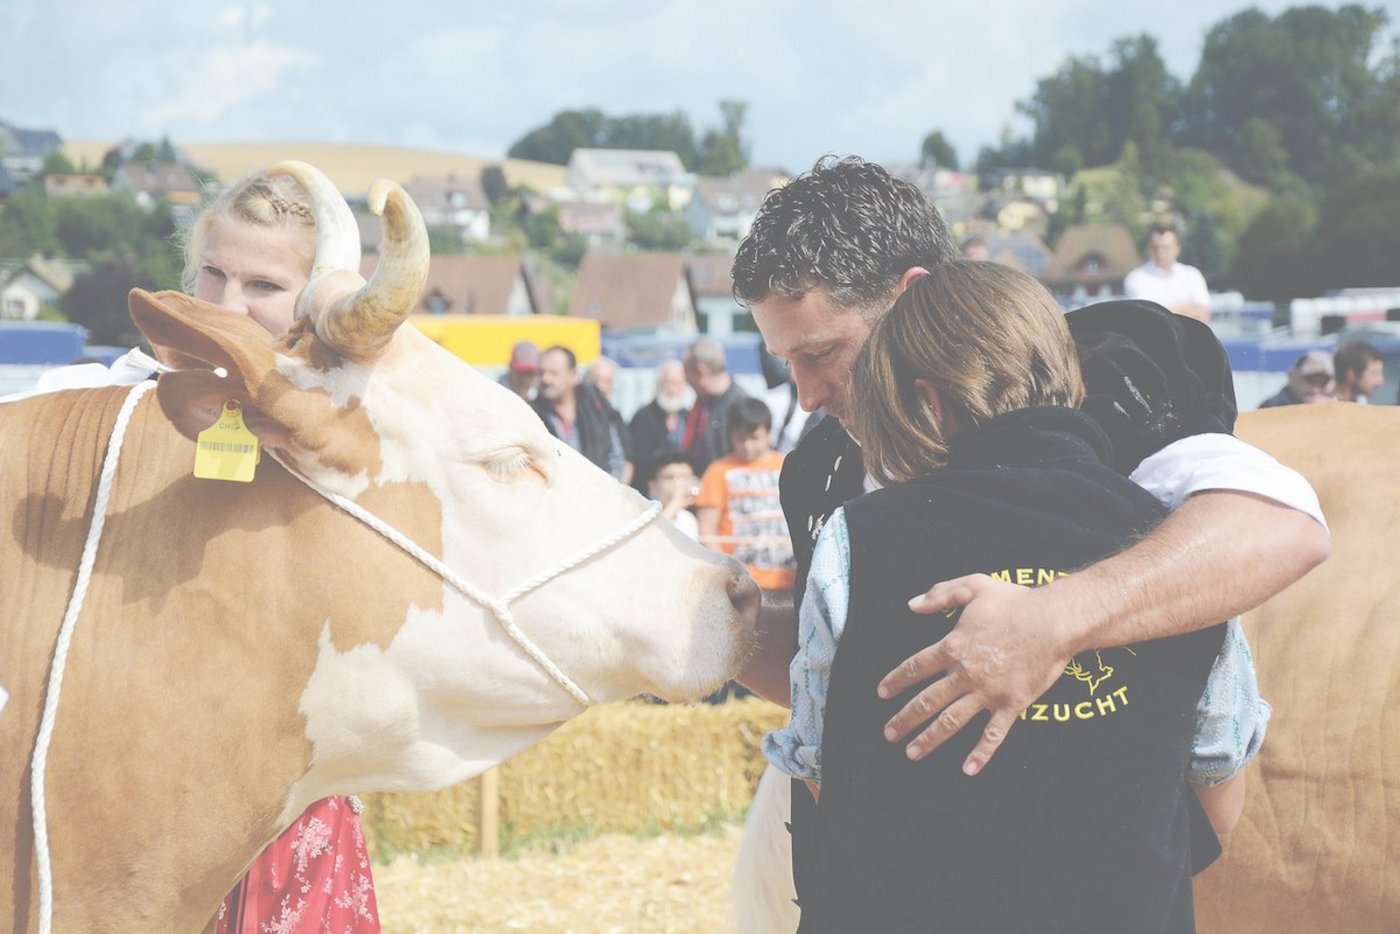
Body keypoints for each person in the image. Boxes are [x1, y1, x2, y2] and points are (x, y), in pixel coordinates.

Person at [729, 156, 1328, 904]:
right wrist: (718, 627)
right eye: (786, 364)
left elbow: (1276, 524)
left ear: (915, 297)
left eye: (822, 354)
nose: (808, 396)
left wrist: (1047, 622)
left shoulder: (1104, 374)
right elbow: (849, 672)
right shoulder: (821, 472)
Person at [764, 262, 1263, 931]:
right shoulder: (1176, 550)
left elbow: (824, 770)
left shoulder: (858, 538)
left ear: (927, 402)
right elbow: (1220, 797)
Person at [695, 397, 795, 592]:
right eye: (740, 438)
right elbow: (707, 531)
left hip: (789, 580)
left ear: (768, 433)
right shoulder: (718, 471)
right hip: (741, 584)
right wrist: (730, 572)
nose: (748, 445)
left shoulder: (788, 465)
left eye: (755, 437)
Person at [532, 345, 632, 483]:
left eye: (554, 373)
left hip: (601, 494)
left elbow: (617, 459)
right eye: (541, 372)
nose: (546, 379)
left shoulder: (597, 407)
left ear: (574, 376)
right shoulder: (532, 414)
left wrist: (611, 495)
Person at [680, 338, 748, 474]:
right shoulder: (702, 403)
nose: (686, 381)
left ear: (701, 372)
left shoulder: (740, 407)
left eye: (687, 374)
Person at [1123, 224, 1212, 322]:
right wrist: (1185, 308)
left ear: (1177, 248)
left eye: (1166, 247)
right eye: (1155, 247)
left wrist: (1163, 309)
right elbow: (1144, 317)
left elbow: (1203, 314)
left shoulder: (1192, 275)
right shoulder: (1136, 278)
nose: (1160, 253)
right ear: (1148, 248)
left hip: (1191, 336)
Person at [628, 359, 690, 477]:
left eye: (677, 384)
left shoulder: (689, 417)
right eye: (667, 383)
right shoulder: (642, 417)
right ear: (658, 385)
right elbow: (638, 458)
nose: (672, 389)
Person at [640, 447, 701, 541]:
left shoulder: (688, 519)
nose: (677, 484)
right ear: (653, 484)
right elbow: (650, 539)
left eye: (683, 477)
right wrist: (675, 502)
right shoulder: (640, 512)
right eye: (668, 478)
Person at [1259, 350, 1336, 408]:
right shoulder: (1272, 406)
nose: (1315, 389)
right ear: (1293, 376)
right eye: (1310, 380)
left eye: (1323, 383)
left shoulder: (1335, 404)